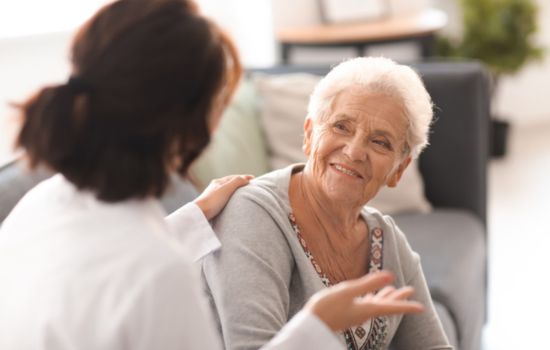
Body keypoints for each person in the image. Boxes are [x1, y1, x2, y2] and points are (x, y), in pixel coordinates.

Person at [0, 1, 424, 349]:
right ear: (193, 124)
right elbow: (131, 272)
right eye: (222, 99)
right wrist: (315, 326)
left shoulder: (41, 205)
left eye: (381, 142)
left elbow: (103, 272)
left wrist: (191, 218)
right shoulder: (157, 271)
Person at [201, 57, 453, 350]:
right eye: (341, 126)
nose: (355, 151)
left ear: (399, 169)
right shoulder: (252, 214)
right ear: (309, 135)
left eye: (380, 142)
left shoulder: (388, 242)